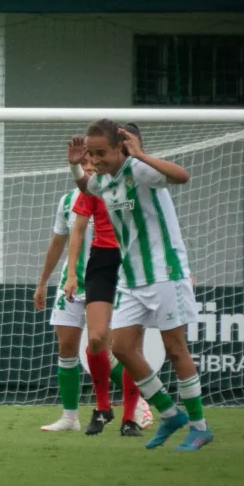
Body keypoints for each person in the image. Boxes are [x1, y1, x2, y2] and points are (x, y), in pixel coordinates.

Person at [68, 119, 212, 451]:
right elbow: (87, 187)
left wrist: (142, 154)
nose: (96, 159)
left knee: (177, 351)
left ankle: (200, 426)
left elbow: (182, 177)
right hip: (131, 279)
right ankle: (169, 412)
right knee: (119, 347)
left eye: (100, 153)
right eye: (91, 153)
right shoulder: (104, 180)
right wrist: (76, 167)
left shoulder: (139, 170)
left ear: (121, 147)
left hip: (165, 273)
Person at [37, 156, 149, 435]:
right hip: (73, 280)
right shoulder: (67, 201)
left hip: (113, 277)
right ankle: (70, 417)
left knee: (111, 346)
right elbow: (58, 243)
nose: (88, 168)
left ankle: (135, 404)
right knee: (66, 345)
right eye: (83, 165)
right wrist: (42, 283)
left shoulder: (116, 193)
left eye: (92, 163)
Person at [63, 125, 149, 437]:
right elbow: (78, 228)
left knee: (130, 345)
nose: (98, 158)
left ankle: (131, 417)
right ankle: (102, 407)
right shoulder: (98, 182)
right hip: (102, 260)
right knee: (97, 338)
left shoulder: (143, 179)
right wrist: (72, 274)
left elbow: (162, 224)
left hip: (135, 262)